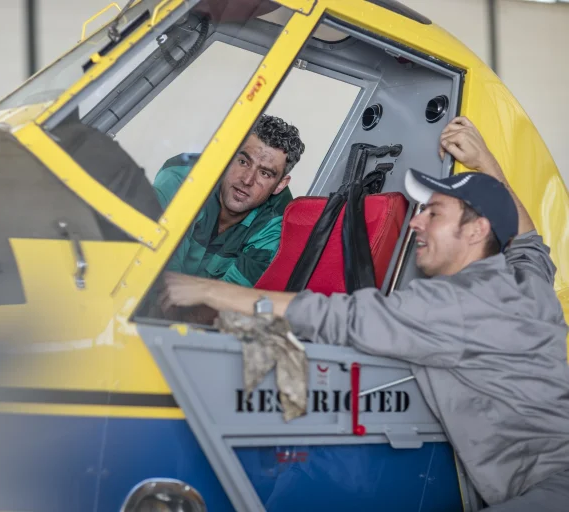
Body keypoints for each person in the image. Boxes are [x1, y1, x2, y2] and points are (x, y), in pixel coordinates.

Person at [159, 116, 569, 511]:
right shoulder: (523, 283)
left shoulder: (454, 306)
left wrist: (206, 290)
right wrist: (485, 165)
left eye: (433, 213)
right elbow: (528, 241)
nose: (415, 223)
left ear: (477, 230)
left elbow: (337, 315)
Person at [152, 114, 305, 287]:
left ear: (280, 185)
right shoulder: (183, 180)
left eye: (264, 173)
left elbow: (228, 298)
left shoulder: (278, 224)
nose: (247, 180)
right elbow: (152, 269)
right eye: (243, 162)